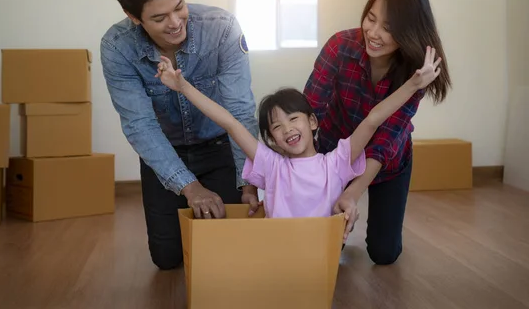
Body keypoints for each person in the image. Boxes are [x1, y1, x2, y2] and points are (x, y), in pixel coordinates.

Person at [155, 46, 441, 227]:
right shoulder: (273, 165)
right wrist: (183, 87)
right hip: (278, 254)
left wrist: (414, 85)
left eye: (293, 119)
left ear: (313, 121)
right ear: (271, 140)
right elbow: (230, 123)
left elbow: (374, 119)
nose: (288, 129)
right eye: (277, 127)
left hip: (320, 254)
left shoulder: (336, 162)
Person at [100, 0, 260, 270]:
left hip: (219, 149)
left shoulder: (222, 29)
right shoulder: (117, 47)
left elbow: (240, 111)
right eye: (159, 18)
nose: (175, 23)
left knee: (232, 247)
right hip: (165, 154)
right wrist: (190, 187)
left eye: (179, 7)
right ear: (134, 17)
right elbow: (140, 125)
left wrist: (249, 181)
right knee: (168, 259)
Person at [303, 0, 452, 265]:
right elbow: (311, 112)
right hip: (336, 153)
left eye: (388, 27)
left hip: (385, 161)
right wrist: (311, 176)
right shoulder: (340, 47)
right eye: (371, 19)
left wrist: (352, 194)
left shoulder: (417, 72)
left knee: (384, 254)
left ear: (408, 33)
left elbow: (385, 142)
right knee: (326, 249)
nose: (373, 32)